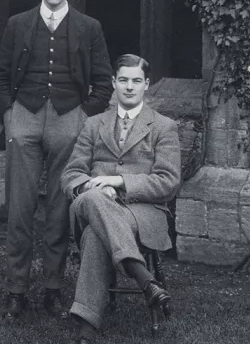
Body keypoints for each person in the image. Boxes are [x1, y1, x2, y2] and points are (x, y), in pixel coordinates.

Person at [0, 0, 113, 320]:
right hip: (24, 117)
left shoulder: (88, 26)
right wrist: (10, 117)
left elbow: (104, 82)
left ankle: (53, 289)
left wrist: (82, 117)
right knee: (19, 208)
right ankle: (16, 290)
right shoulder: (18, 23)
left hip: (68, 119)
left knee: (60, 210)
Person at [60, 54, 181, 343]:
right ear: (114, 83)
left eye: (136, 81)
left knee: (94, 235)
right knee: (95, 200)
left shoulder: (163, 126)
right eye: (123, 80)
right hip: (91, 200)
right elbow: (71, 173)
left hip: (143, 211)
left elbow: (168, 182)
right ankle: (144, 279)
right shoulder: (94, 124)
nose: (129, 87)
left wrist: (120, 182)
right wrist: (93, 187)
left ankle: (87, 326)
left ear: (146, 85)